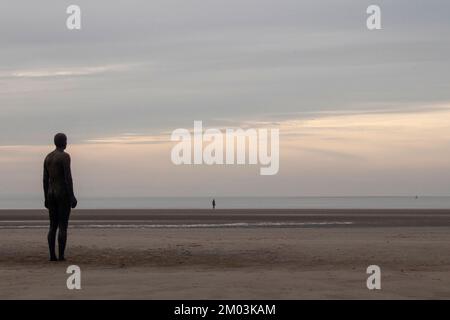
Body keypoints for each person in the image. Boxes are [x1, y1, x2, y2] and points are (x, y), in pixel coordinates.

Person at [43, 133, 77, 261]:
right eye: (66, 140)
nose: (67, 142)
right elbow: (68, 178)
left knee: (52, 226)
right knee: (63, 225)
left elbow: (45, 180)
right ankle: (61, 256)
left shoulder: (48, 157)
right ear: (62, 142)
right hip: (62, 193)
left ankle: (52, 255)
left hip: (51, 193)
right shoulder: (64, 156)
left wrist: (46, 197)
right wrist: (72, 196)